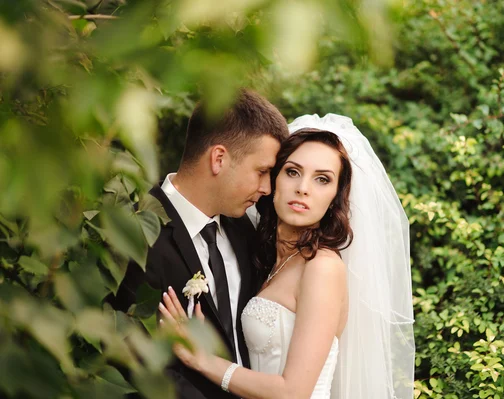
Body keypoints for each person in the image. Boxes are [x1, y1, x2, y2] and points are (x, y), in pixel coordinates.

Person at [160, 114, 415, 399]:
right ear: (273, 180)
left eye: (322, 179)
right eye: (293, 171)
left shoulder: (322, 268)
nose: (303, 188)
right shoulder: (263, 255)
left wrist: (202, 359)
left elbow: (293, 391)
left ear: (335, 198)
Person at [110, 89, 289, 399]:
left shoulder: (247, 230)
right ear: (218, 158)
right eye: (261, 171)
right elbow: (136, 366)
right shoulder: (137, 236)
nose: (267, 188)